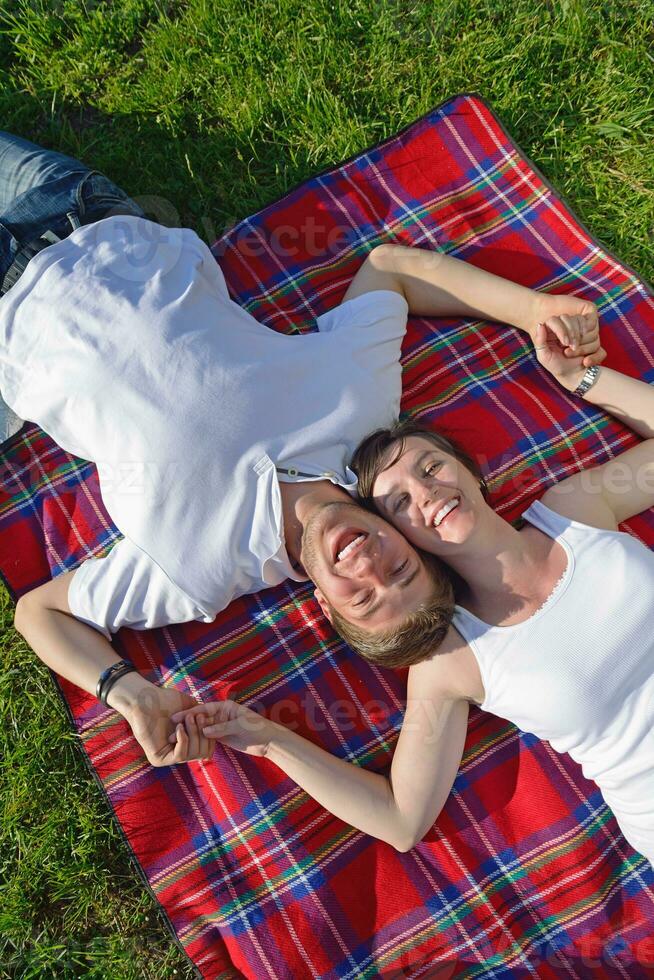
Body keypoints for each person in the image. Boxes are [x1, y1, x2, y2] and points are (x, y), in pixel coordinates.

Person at [2, 131, 605, 769]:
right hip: (84, 216)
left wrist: (128, 692)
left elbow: (39, 613)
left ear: (322, 601)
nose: (367, 567)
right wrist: (535, 310)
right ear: (409, 541)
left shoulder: (199, 572)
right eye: (399, 570)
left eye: (362, 598)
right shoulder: (362, 410)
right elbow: (392, 271)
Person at [169, 315, 654, 868]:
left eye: (432, 467)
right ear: (400, 538)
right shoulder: (454, 658)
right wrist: (266, 739)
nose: (428, 493)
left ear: (471, 473)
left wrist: (582, 380)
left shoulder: (575, 512)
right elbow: (401, 818)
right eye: (400, 503)